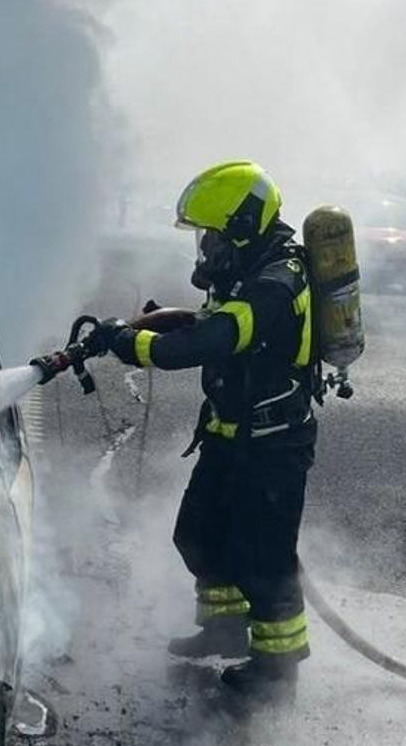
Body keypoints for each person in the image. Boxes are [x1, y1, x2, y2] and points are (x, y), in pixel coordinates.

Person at [98, 159, 317, 697]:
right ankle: (222, 626)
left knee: (263, 560)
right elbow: (210, 321)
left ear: (239, 227)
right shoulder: (247, 269)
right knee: (196, 533)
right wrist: (155, 320)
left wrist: (132, 345)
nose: (204, 247)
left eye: (211, 234)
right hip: (230, 432)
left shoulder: (276, 282)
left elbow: (214, 341)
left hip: (273, 444)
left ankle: (277, 669)